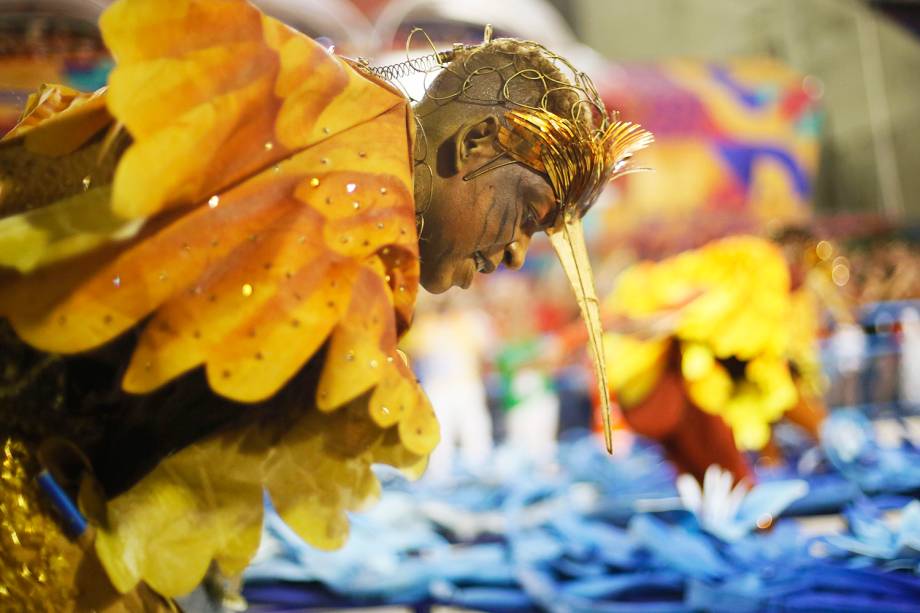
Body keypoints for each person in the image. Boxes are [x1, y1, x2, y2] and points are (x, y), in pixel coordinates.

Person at [0, 0, 652, 608]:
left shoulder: (339, 107)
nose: (514, 254)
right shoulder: (348, 206)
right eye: (524, 215)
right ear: (476, 143)